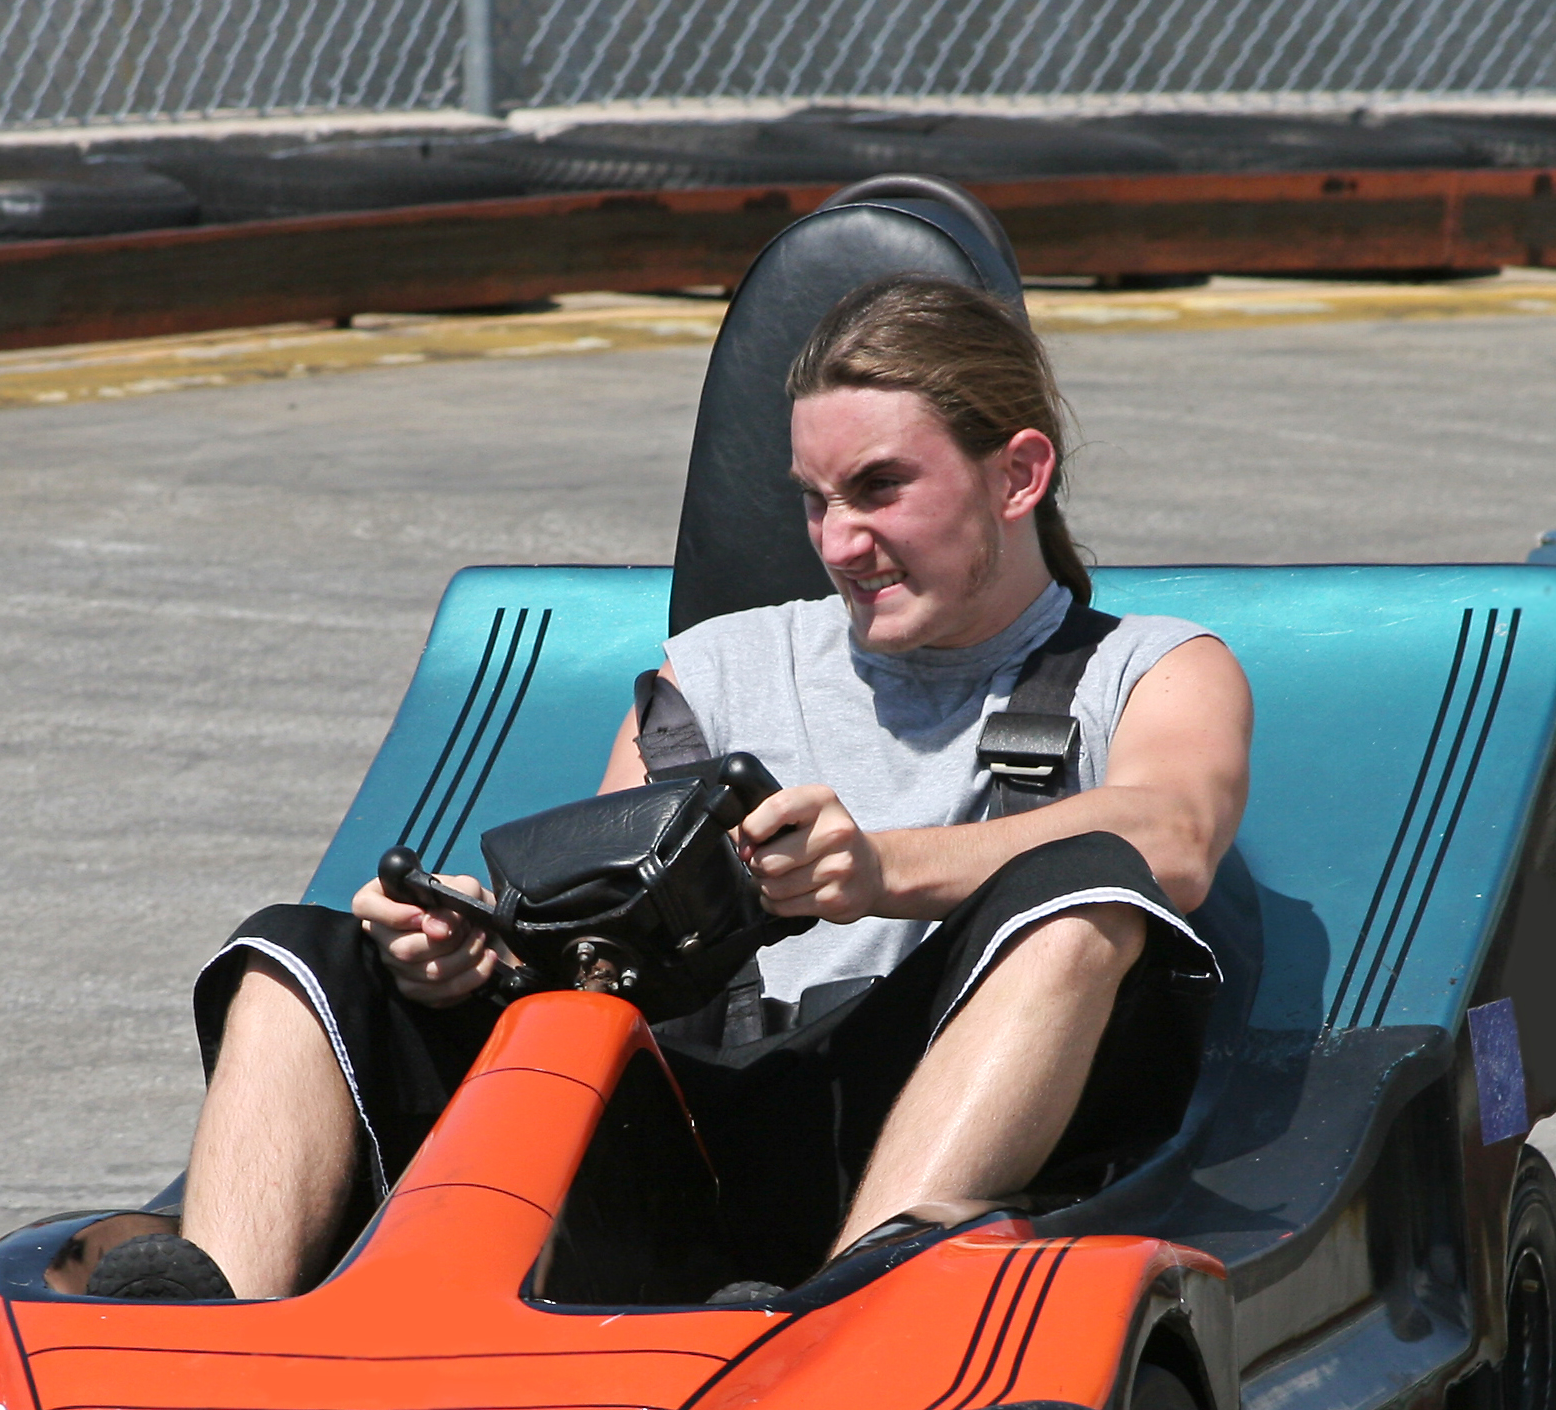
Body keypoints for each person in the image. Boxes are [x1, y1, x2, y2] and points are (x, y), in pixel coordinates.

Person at [89, 274, 1253, 1303]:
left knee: (1088, 883)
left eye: (881, 489)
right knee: (302, 948)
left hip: (916, 1135)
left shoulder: (1151, 667)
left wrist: (882, 871)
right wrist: (468, 953)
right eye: (815, 498)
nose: (840, 541)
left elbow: (1176, 833)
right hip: (687, 1144)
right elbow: (598, 939)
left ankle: (861, 1299)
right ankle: (210, 1336)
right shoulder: (715, 666)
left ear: (1018, 474)